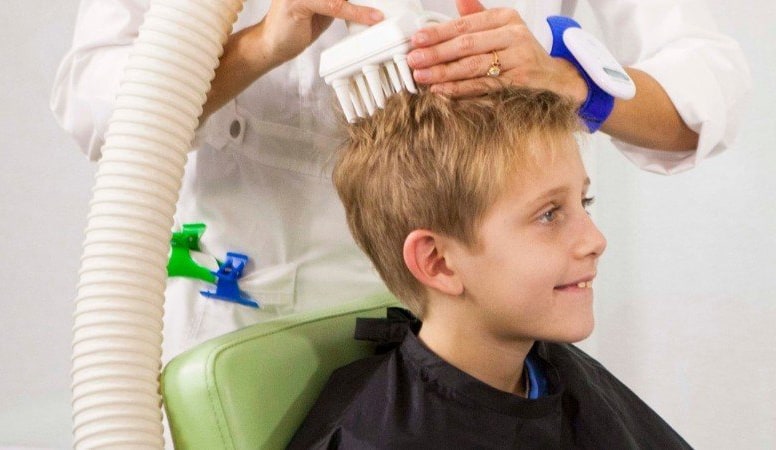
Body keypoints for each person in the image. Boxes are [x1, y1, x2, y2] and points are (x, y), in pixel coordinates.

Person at [51, 0, 750, 363]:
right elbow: (100, 110)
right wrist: (265, 43)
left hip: (482, 329)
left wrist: (570, 82)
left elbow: (707, 91)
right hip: (257, 320)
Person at [288, 87, 691, 449]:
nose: (595, 240)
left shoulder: (551, 371)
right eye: (550, 214)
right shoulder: (375, 436)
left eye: (583, 203)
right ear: (438, 262)